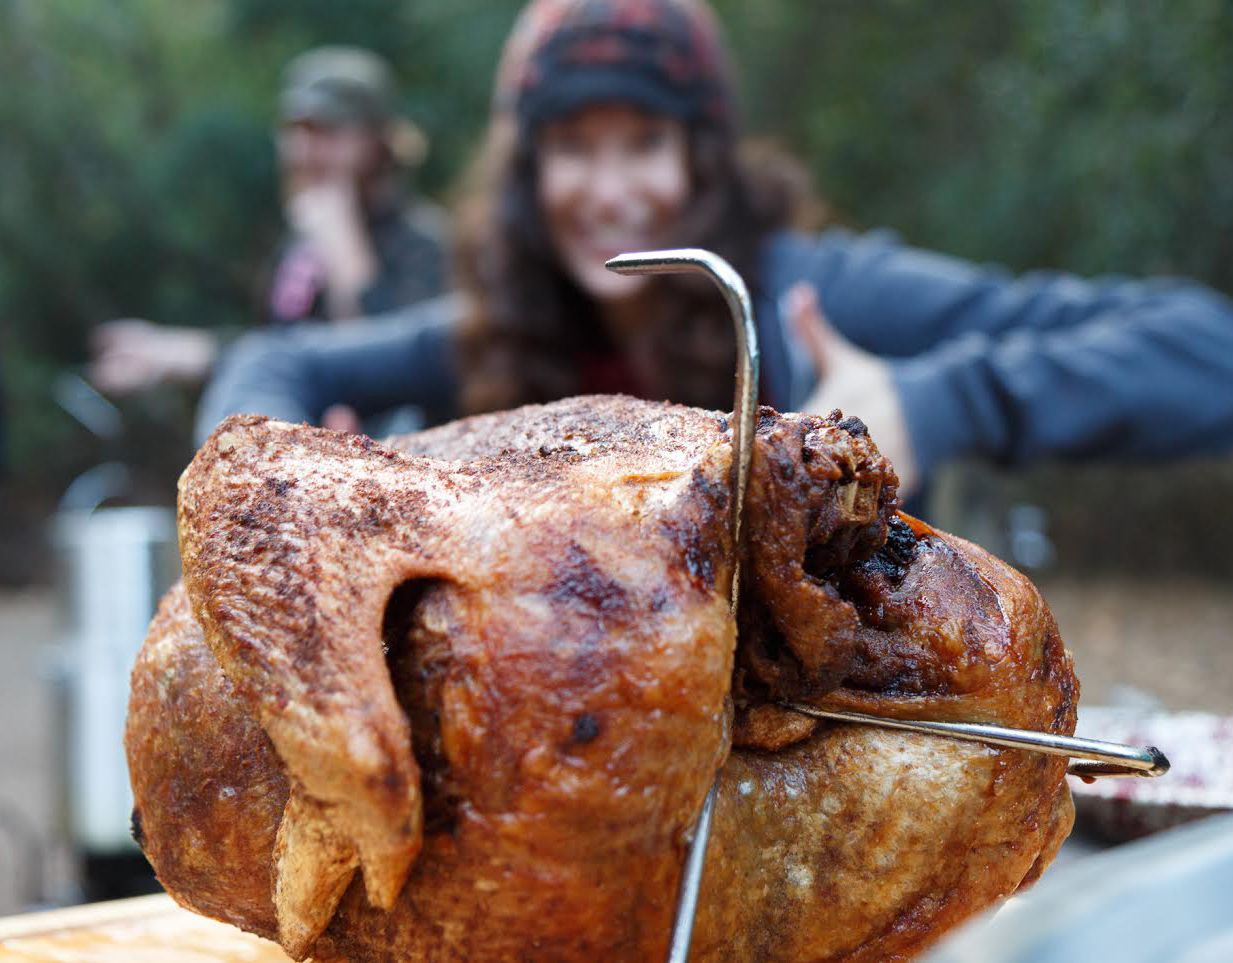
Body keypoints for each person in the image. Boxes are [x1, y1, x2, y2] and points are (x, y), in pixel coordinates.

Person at [196, 0, 1233, 503]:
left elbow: (1201, 348)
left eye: (643, 142)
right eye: (571, 148)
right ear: (527, 176)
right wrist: (280, 474)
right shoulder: (494, 336)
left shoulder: (811, 293)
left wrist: (935, 403)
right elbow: (274, 364)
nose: (609, 192)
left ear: (705, 160)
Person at [91, 45, 448, 398]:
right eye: (296, 131)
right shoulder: (300, 243)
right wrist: (175, 350)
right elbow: (286, 353)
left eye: (328, 131)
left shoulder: (426, 242)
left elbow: (407, 371)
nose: (303, 152)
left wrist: (345, 250)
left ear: (377, 142)